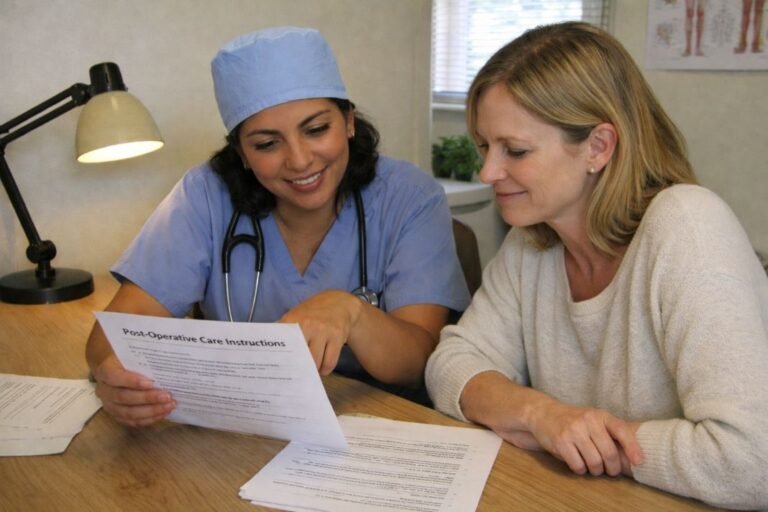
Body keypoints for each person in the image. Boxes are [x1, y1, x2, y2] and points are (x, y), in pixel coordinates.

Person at [425, 21, 768, 510]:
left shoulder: (688, 225)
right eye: (485, 146)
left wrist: (587, 442)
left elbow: (753, 461)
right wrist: (541, 414)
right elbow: (450, 366)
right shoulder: (532, 243)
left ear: (598, 147)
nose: (487, 172)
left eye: (515, 151)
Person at [86, 26, 470, 427]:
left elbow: (417, 362)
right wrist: (114, 377)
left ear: (349, 122)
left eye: (317, 129)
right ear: (242, 154)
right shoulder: (205, 196)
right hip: (249, 431)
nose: (300, 160)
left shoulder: (408, 196)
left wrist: (351, 312)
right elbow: (110, 337)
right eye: (267, 144)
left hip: (378, 426)